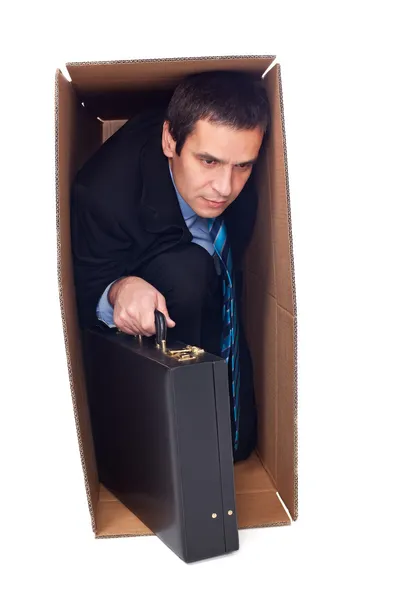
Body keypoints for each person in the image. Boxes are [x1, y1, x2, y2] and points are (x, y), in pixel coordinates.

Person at [71, 70, 270, 462]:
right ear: (170, 141)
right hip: (154, 309)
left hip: (214, 305)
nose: (224, 187)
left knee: (241, 444)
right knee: (187, 272)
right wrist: (119, 288)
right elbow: (78, 294)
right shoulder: (102, 196)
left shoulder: (237, 180)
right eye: (208, 161)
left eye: (242, 166)